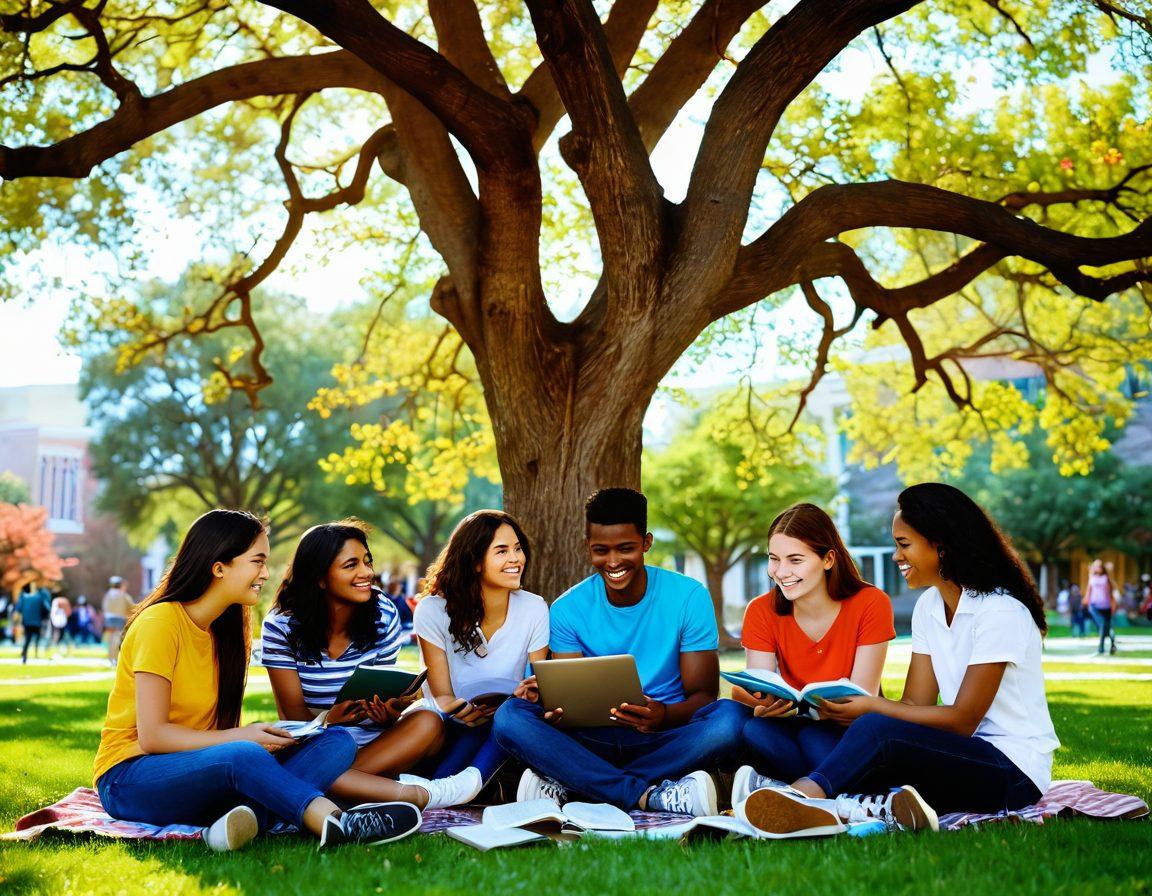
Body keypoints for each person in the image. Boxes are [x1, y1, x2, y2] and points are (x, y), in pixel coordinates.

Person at [733, 483, 1059, 836]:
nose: (896, 556)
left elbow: (963, 719)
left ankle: (802, 798)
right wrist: (865, 711)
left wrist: (871, 707)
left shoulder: (998, 611)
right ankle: (858, 806)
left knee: (875, 728)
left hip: (1012, 770)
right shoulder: (930, 607)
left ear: (942, 546)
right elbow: (915, 704)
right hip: (960, 753)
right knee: (865, 734)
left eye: (904, 545)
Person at [93, 509, 421, 851]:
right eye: (257, 561)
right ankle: (335, 822)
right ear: (219, 567)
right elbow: (153, 736)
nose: (266, 573)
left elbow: (216, 738)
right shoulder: (161, 622)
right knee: (242, 754)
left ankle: (234, 824)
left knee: (337, 742)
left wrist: (265, 737)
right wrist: (243, 738)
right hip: (129, 778)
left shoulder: (227, 631)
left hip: (199, 773)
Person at [493, 488, 746, 816]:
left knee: (731, 718)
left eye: (625, 549)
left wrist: (663, 716)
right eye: (601, 550)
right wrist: (553, 709)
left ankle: (577, 787)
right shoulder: (568, 608)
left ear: (646, 543)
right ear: (588, 547)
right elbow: (568, 701)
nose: (613, 562)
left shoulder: (688, 597)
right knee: (510, 716)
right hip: (590, 741)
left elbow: (704, 696)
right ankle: (647, 794)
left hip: (664, 738)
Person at [261, 520, 478, 810]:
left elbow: (387, 691)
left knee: (428, 721)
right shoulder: (281, 626)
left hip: (378, 748)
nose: (366, 573)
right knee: (327, 752)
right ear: (320, 578)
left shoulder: (383, 613)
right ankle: (419, 794)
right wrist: (329, 720)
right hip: (317, 747)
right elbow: (292, 718)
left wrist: (388, 713)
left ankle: (330, 790)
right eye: (351, 565)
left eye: (367, 561)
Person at [730, 503, 895, 798]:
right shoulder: (761, 611)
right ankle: (840, 793)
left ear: (828, 559)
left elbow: (862, 695)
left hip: (850, 730)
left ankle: (800, 789)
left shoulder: (871, 603)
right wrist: (764, 705)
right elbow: (753, 686)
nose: (781, 572)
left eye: (795, 560)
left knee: (814, 736)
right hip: (791, 724)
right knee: (756, 731)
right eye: (773, 559)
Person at [411, 510, 549, 798]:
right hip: (451, 722)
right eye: (502, 551)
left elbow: (540, 683)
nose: (515, 559)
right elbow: (441, 696)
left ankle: (453, 787)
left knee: (510, 715)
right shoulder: (433, 610)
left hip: (509, 717)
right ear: (474, 561)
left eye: (517, 548)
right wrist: (463, 711)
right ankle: (453, 785)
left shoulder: (534, 607)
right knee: (478, 725)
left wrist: (531, 691)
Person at [1083, 558, 1118, 655]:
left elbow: (1111, 593)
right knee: (1103, 626)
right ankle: (1101, 648)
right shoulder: (1091, 577)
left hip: (1106, 606)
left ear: (1102, 568)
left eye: (1099, 566)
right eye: (1095, 565)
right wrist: (1086, 600)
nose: (1097, 567)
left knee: (1107, 627)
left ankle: (1112, 644)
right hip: (1094, 606)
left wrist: (1113, 605)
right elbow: (1089, 590)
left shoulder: (1106, 578)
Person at [102, 576, 136, 666]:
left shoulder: (108, 594)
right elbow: (131, 606)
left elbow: (104, 606)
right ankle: (115, 659)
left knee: (111, 639)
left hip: (109, 619)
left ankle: (110, 658)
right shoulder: (123, 595)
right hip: (119, 619)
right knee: (117, 638)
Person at [15, 583, 52, 664]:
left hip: (27, 622)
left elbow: (18, 608)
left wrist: (17, 620)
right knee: (37, 639)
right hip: (36, 622)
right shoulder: (40, 597)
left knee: (27, 639)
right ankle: (35, 654)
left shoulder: (24, 597)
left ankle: (24, 654)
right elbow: (47, 607)